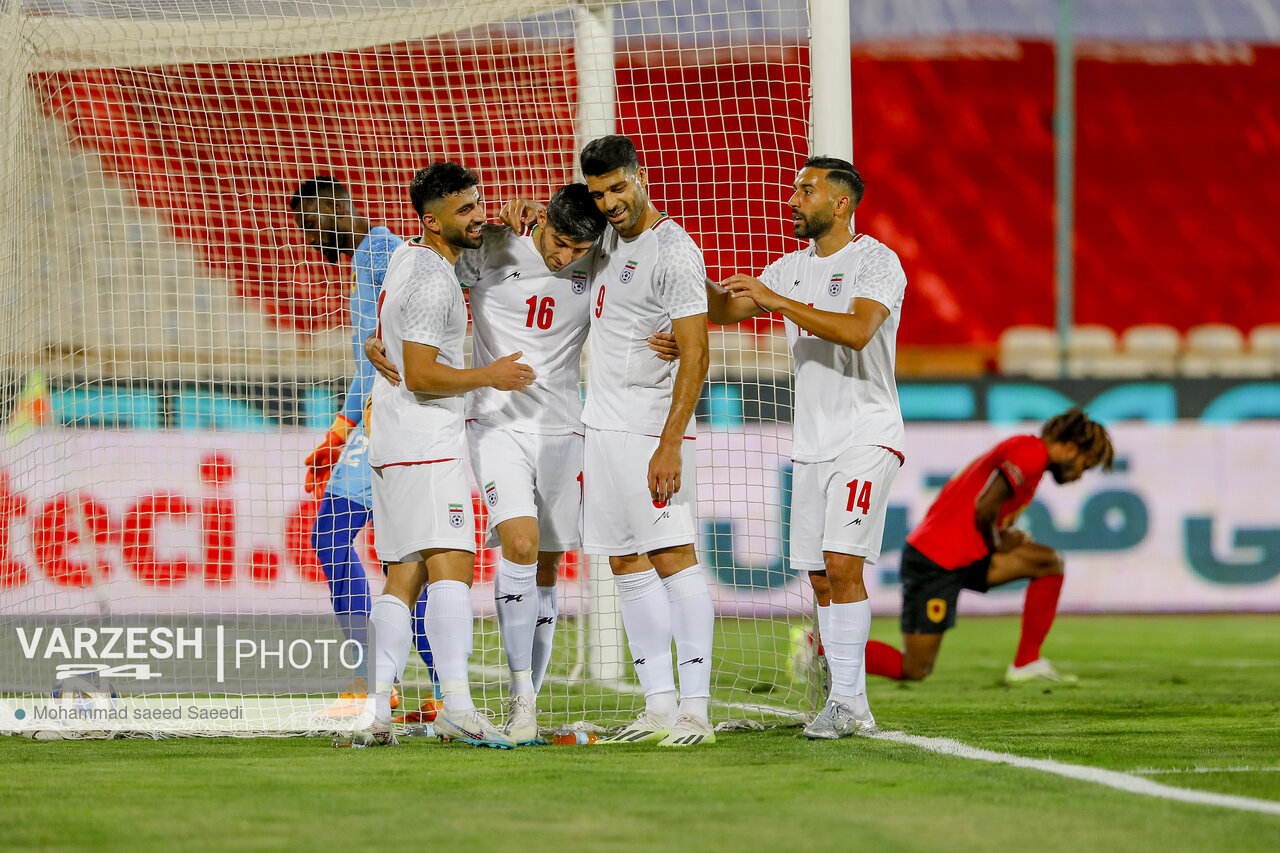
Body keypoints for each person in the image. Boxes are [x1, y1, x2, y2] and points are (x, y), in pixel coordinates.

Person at [365, 184, 608, 745]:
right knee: (514, 546)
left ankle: (524, 705)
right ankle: (484, 699)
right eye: (559, 242)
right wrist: (383, 343)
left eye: (577, 250)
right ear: (540, 219)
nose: (564, 257)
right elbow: (425, 275)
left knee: (544, 565)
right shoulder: (490, 246)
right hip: (493, 424)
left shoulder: (603, 256)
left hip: (562, 427)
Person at [704, 156, 907, 740]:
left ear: (841, 203)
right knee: (819, 578)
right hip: (812, 444)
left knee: (844, 564)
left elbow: (857, 330)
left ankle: (847, 703)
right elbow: (725, 309)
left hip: (866, 434)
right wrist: (683, 266)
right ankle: (850, 703)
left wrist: (777, 301)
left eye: (806, 189)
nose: (792, 198)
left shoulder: (875, 260)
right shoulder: (789, 268)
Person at [358, 161, 534, 748]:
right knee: (453, 565)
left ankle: (377, 711)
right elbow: (425, 375)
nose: (478, 215)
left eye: (478, 202)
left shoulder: (408, 258)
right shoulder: (434, 281)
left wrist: (508, 223)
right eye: (465, 210)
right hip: (428, 443)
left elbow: (394, 347)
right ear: (432, 221)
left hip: (391, 445)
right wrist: (494, 374)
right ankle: (456, 705)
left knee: (403, 575)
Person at [578, 135, 715, 747]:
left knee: (672, 557)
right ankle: (657, 706)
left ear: (639, 176)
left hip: (648, 428)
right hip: (601, 427)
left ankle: (695, 710)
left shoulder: (674, 250)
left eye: (618, 188)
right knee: (626, 562)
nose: (610, 202)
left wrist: (671, 442)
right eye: (599, 193)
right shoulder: (604, 238)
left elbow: (697, 350)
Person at [288, 177, 436, 721]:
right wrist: (336, 433)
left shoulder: (381, 252)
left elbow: (395, 351)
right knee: (405, 557)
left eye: (310, 223)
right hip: (382, 421)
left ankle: (379, 678)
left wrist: (355, 429)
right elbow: (364, 367)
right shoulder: (366, 263)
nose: (307, 239)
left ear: (337, 207)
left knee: (348, 541)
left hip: (398, 422)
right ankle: (425, 686)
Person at [864, 408, 1115, 684]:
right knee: (914, 668)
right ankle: (821, 649)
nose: (1081, 474)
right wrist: (999, 541)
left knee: (1049, 562)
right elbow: (984, 508)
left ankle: (1027, 662)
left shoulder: (1032, 458)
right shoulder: (1030, 452)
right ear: (1069, 447)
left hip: (965, 555)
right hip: (935, 560)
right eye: (1085, 464)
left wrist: (1003, 536)